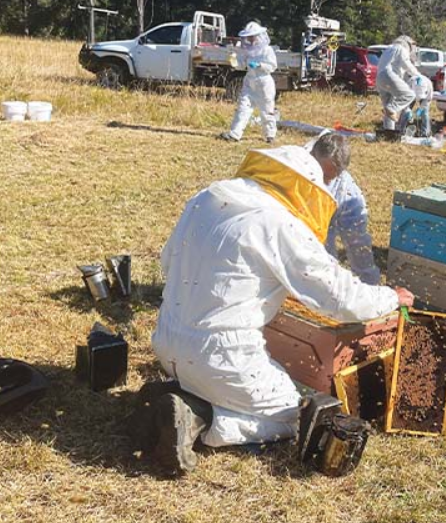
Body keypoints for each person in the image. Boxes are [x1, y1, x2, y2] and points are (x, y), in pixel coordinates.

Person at [150, 145, 414, 475]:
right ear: (304, 190)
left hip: (165, 341)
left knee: (228, 382)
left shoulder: (208, 197)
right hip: (222, 360)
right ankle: (199, 418)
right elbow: (341, 299)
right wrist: (390, 298)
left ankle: (180, 391)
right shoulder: (278, 222)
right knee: (298, 414)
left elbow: (167, 261)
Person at [307, 132, 381, 285]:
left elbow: (357, 241)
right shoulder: (289, 167)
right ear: (312, 156)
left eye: (331, 177)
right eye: (322, 174)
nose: (325, 181)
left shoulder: (346, 192)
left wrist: (371, 287)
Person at [221, 21, 278, 143]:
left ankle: (270, 135)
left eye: (253, 36)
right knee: (243, 107)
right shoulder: (247, 51)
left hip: (264, 83)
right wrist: (233, 60)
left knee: (267, 110)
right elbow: (241, 65)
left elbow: (272, 66)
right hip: (249, 81)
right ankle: (234, 134)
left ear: (260, 36)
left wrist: (259, 65)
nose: (250, 39)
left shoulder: (267, 50)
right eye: (249, 37)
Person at [376, 35, 422, 133]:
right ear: (408, 44)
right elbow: (407, 65)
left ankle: (388, 132)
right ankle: (391, 108)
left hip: (379, 78)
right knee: (409, 95)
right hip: (389, 76)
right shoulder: (401, 49)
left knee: (389, 112)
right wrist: (418, 75)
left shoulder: (388, 48)